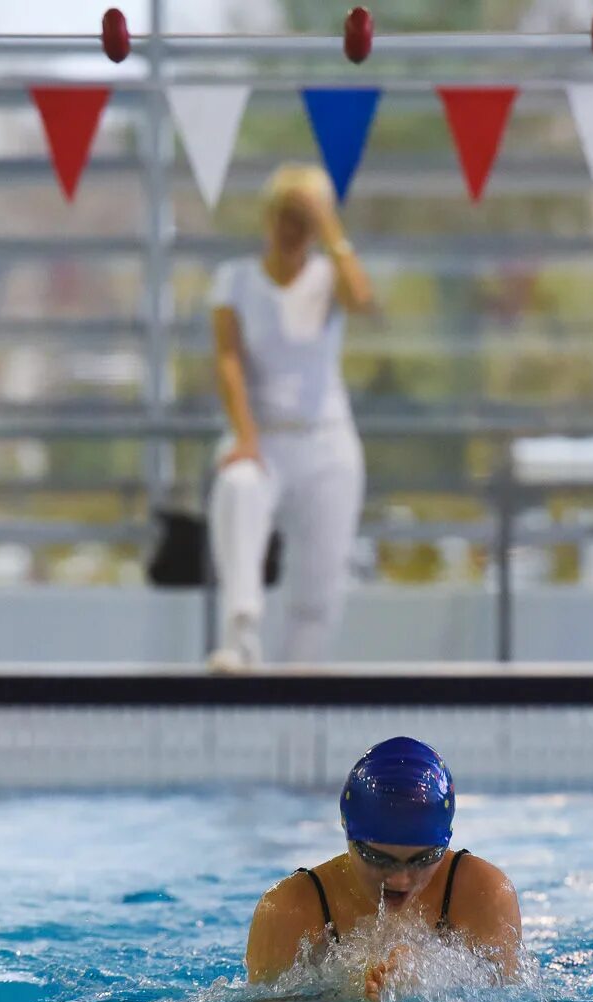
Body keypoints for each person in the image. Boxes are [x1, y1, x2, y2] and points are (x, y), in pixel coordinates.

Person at [205, 163, 375, 671]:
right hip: (263, 438)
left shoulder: (328, 279)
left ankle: (301, 680)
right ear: (268, 218)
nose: (293, 230)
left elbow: (362, 300)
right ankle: (241, 632)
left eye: (305, 219)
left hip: (326, 443)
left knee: (319, 592)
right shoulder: (234, 280)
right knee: (238, 485)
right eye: (286, 216)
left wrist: (329, 224)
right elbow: (228, 360)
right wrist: (246, 436)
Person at [245, 738, 523, 1002]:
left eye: (422, 859)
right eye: (378, 858)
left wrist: (433, 984)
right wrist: (352, 991)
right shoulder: (289, 910)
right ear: (346, 831)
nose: (400, 879)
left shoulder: (482, 894)